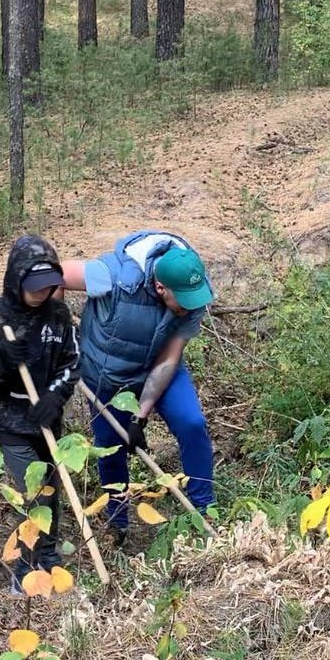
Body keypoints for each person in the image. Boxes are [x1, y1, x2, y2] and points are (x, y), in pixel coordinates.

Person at [61, 230, 215, 541]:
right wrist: (57, 329)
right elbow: (57, 273)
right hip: (107, 373)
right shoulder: (113, 276)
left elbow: (170, 358)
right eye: (182, 303)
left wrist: (140, 415)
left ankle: (204, 509)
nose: (190, 307)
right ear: (160, 287)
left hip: (158, 365)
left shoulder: (191, 288)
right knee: (110, 445)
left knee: (192, 422)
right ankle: (117, 525)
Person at [0, 234, 80, 592]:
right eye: (34, 287)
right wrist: (2, 366)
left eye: (48, 287)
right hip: (5, 419)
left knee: (50, 485)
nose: (41, 294)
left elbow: (72, 362)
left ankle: (49, 559)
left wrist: (55, 395)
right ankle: (27, 569)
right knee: (32, 488)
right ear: (16, 280)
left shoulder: (59, 316)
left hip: (43, 418)